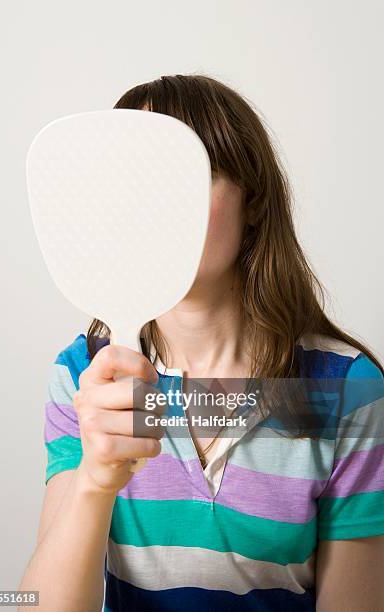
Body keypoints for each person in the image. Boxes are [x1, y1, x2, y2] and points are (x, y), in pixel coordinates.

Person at [19, 74, 384, 611]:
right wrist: (95, 480)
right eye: (131, 185)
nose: (152, 211)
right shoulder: (84, 378)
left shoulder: (349, 390)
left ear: (254, 200)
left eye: (184, 179)